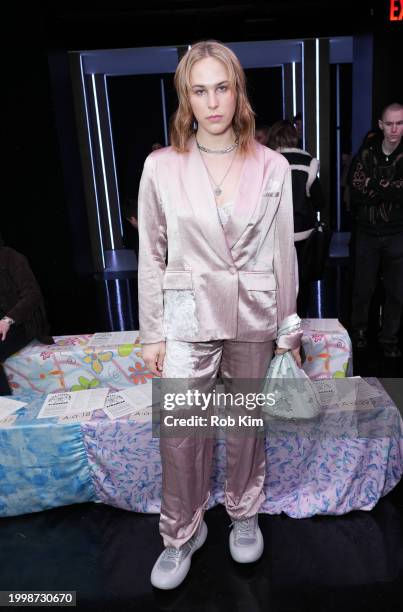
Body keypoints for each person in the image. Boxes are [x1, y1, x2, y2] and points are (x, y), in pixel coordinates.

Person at [138, 40, 302, 590]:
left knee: (245, 424)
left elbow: (283, 251)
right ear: (186, 96)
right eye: (200, 89)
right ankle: (180, 531)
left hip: (254, 311)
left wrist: (288, 325)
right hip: (185, 316)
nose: (213, 102)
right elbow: (152, 254)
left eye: (222, 87)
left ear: (238, 90)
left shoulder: (272, 165)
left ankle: (243, 509)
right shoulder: (161, 166)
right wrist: (151, 332)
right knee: (181, 433)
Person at [349, 102, 403, 357]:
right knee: (363, 287)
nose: (394, 129)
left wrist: (374, 186)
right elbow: (357, 188)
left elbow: (394, 191)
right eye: (390, 123)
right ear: (381, 125)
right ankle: (358, 333)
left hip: (397, 233)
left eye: (400, 123)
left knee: (396, 291)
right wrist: (390, 188)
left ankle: (389, 339)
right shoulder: (366, 153)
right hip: (368, 232)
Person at [268, 120, 325, 317]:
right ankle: (299, 327)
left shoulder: (267, 162)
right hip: (303, 234)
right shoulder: (308, 163)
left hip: (275, 236)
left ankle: (279, 331)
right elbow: (319, 202)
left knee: (278, 286)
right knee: (303, 283)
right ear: (294, 136)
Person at [0, 236, 52, 395]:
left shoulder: (12, 258)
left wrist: (7, 320)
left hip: (22, 323)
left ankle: (5, 408)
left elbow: (32, 295)